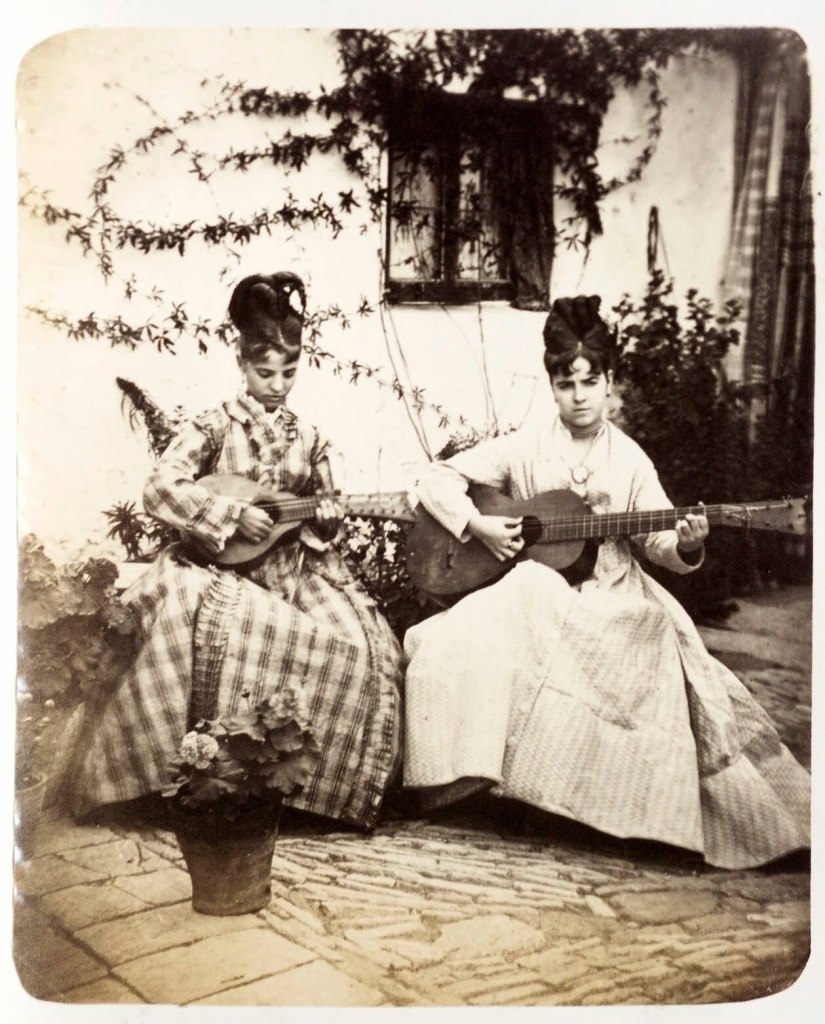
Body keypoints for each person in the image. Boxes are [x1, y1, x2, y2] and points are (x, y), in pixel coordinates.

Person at [402, 295, 810, 869]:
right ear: (552, 386)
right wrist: (478, 525)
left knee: (635, 637)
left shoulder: (631, 459)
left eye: (590, 382)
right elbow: (436, 479)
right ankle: (469, 779)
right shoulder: (526, 445)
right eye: (567, 384)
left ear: (610, 381)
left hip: (615, 593)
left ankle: (628, 812)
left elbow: (660, 544)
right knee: (463, 630)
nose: (579, 396)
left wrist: (687, 542)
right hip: (537, 587)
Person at [54, 272, 403, 830]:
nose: (278, 385)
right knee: (197, 612)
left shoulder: (311, 440)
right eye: (265, 372)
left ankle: (315, 796)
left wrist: (328, 521)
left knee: (364, 645)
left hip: (295, 569)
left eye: (289, 373)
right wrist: (231, 513)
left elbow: (322, 513)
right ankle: (175, 783)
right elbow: (159, 487)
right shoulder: (213, 426)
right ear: (242, 365)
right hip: (218, 562)